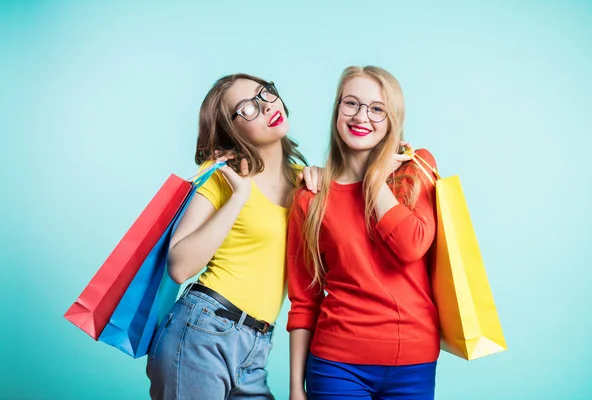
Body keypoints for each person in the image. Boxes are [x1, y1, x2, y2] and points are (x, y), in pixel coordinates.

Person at [146, 73, 321, 400]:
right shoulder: (223, 177)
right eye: (248, 108)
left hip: (256, 345)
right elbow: (179, 266)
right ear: (231, 130)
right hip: (204, 332)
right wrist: (238, 197)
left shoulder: (305, 181)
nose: (267, 106)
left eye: (265, 93)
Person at [287, 65, 440, 400]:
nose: (361, 117)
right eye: (351, 104)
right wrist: (296, 387)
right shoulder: (310, 197)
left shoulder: (418, 169)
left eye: (376, 109)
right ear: (337, 110)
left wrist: (373, 180)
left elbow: (412, 245)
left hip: (414, 360)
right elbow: (304, 300)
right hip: (336, 364)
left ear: (392, 119)